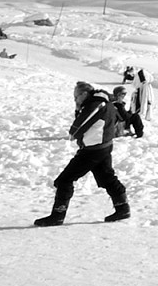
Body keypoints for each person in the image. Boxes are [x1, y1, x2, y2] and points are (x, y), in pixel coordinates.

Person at [34, 82, 130, 226]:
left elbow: (77, 127)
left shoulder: (96, 103)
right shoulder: (103, 101)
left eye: (76, 97)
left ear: (84, 94)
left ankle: (57, 215)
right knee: (107, 177)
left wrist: (74, 132)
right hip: (103, 146)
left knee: (65, 180)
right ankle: (123, 208)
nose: (75, 100)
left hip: (93, 149)